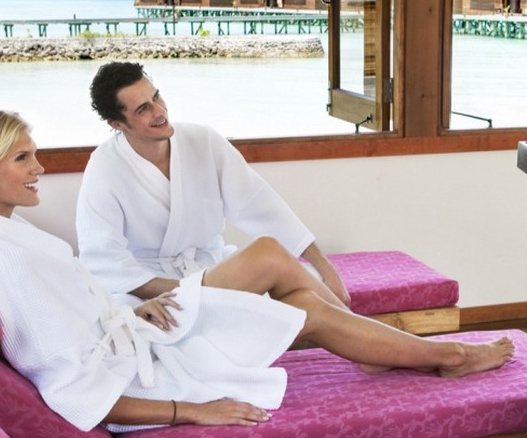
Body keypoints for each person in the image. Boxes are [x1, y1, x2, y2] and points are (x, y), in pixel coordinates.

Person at [0, 107, 514, 434]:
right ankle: (448, 357)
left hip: (142, 328)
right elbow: (72, 385)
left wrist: (132, 308)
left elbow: (79, 308)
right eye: (23, 158)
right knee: (303, 309)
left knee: (277, 270)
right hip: (146, 370)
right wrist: (192, 411)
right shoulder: (2, 254)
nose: (40, 168)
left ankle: (398, 348)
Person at [76, 61, 350, 309]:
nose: (160, 111)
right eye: (143, 108)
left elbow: (258, 203)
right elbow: (104, 259)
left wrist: (324, 266)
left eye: (156, 96)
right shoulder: (104, 168)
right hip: (151, 289)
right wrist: (187, 291)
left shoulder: (202, 141)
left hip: (212, 270)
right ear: (116, 123)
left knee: (302, 297)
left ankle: (370, 346)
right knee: (132, 323)